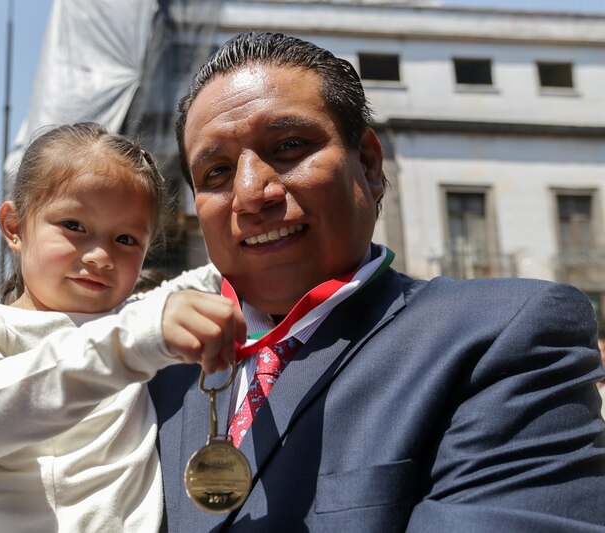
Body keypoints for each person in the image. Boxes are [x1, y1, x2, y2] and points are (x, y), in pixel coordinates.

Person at [148, 31, 605, 531]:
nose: (251, 193)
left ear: (367, 163)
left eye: (288, 146)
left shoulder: (502, 338)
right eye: (215, 173)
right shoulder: (155, 372)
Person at [0, 122, 244, 532]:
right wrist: (129, 345)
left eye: (126, 239)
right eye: (74, 226)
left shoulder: (139, 317)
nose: (100, 256)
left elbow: (224, 271)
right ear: (15, 227)